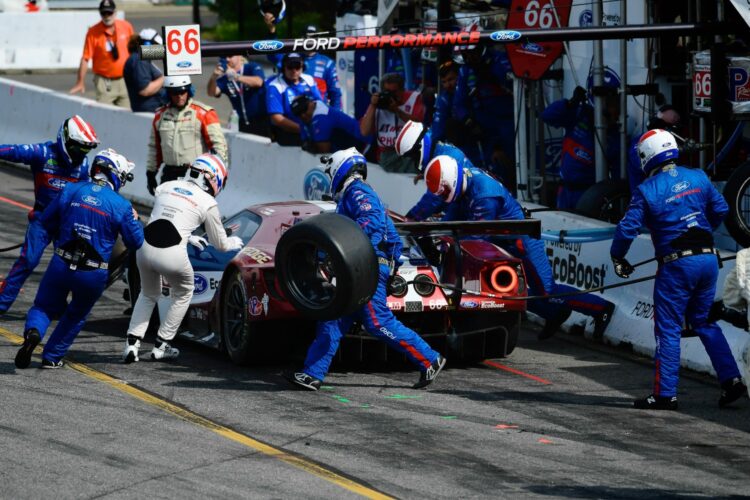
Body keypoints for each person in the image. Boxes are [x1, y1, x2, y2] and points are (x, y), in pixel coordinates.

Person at [610, 129, 747, 410]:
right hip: (708, 259)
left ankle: (665, 395)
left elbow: (627, 229)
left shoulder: (646, 190)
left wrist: (618, 257)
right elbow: (721, 209)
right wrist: (698, 231)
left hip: (677, 264)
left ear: (647, 156)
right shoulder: (698, 176)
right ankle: (731, 380)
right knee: (704, 321)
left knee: (669, 329)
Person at [291, 148, 447, 391]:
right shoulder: (353, 194)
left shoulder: (358, 191)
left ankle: (430, 358)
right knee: (332, 319)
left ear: (340, 168)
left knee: (377, 321)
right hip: (358, 269)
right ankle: (312, 374)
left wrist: (358, 257)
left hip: (367, 267)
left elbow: (372, 225)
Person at [412, 154, 615, 340]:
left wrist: (443, 243)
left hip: (521, 241)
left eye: (444, 190)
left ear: (453, 181)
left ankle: (601, 308)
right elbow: (452, 223)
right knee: (511, 292)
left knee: (547, 291)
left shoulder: (484, 195)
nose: (443, 195)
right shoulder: (463, 184)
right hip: (502, 240)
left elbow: (475, 238)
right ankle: (555, 313)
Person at [14, 149, 143, 369]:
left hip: (61, 262)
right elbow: (136, 242)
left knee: (44, 306)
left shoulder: (71, 189)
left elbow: (45, 221)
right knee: (75, 315)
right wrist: (135, 220)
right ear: (116, 175)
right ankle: (52, 357)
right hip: (93, 272)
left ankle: (34, 333)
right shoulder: (122, 205)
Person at [123, 154, 244, 363]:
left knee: (148, 294)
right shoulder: (208, 202)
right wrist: (235, 242)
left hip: (144, 247)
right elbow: (220, 244)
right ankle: (162, 344)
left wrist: (189, 237)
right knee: (184, 291)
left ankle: (131, 345)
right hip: (172, 254)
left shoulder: (166, 186)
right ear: (213, 178)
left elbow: (169, 218)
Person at [0, 115, 100, 315]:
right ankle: (2, 304)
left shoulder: (84, 165)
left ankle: (57, 306)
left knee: (67, 266)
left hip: (67, 224)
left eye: (86, 149)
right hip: (42, 220)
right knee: (29, 260)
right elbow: (11, 151)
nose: (81, 153)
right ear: (65, 139)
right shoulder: (42, 152)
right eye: (78, 148)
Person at [541, 85, 621, 209]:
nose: (612, 113)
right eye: (609, 105)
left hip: (588, 194)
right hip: (564, 191)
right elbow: (546, 116)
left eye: (615, 108)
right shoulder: (580, 114)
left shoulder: (616, 139)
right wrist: (571, 103)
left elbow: (617, 180)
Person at [146, 75, 228, 195]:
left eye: (183, 92)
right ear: (168, 94)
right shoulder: (160, 115)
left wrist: (221, 173)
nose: (179, 96)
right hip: (169, 173)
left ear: (189, 91)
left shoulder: (204, 113)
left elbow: (219, 146)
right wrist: (150, 173)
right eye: (175, 93)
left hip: (195, 174)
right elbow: (154, 148)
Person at [452, 36, 515, 178]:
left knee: (506, 164)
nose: (469, 57)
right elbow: (458, 104)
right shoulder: (465, 71)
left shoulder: (501, 60)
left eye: (472, 53)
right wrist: (469, 121)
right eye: (465, 54)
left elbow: (515, 87)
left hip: (508, 122)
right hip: (482, 126)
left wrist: (493, 74)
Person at [69, 0, 134, 108]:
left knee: (127, 115)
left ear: (115, 13)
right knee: (105, 115)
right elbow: (85, 58)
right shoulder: (93, 32)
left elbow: (135, 50)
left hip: (125, 80)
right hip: (104, 82)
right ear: (100, 13)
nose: (107, 16)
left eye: (110, 13)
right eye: (104, 13)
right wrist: (80, 82)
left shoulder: (126, 26)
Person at [359, 73, 425, 173]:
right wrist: (373, 105)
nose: (391, 96)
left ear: (403, 90)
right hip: (386, 156)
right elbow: (364, 131)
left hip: (410, 155)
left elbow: (420, 125)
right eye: (387, 92)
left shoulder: (414, 98)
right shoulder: (379, 102)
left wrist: (396, 110)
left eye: (394, 92)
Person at [265, 52, 323, 146]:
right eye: (290, 67)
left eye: (297, 67)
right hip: (288, 134)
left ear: (302, 67)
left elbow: (320, 104)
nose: (294, 70)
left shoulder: (309, 80)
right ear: (283, 68)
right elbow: (277, 118)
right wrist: (302, 129)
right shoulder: (275, 86)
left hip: (313, 130)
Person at [208, 55, 269, 137]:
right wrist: (214, 77)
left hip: (262, 121)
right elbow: (212, 93)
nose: (227, 59)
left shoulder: (251, 67)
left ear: (239, 56)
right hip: (242, 123)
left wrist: (236, 77)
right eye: (224, 57)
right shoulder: (225, 78)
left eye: (230, 56)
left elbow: (258, 82)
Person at [292, 94, 368, 154]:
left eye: (304, 109)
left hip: (363, 148)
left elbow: (324, 150)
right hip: (347, 152)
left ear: (311, 103)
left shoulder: (322, 117)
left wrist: (311, 146)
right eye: (298, 113)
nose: (303, 115)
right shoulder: (308, 115)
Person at [123, 28, 166, 113]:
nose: (159, 50)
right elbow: (145, 90)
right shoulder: (139, 60)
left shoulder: (141, 58)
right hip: (149, 111)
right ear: (147, 44)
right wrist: (165, 78)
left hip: (153, 109)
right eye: (157, 46)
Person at [430, 61, 462, 146]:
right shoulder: (444, 98)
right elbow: (438, 126)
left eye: (451, 79)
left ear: (459, 77)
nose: (448, 85)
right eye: (444, 82)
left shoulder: (469, 91)